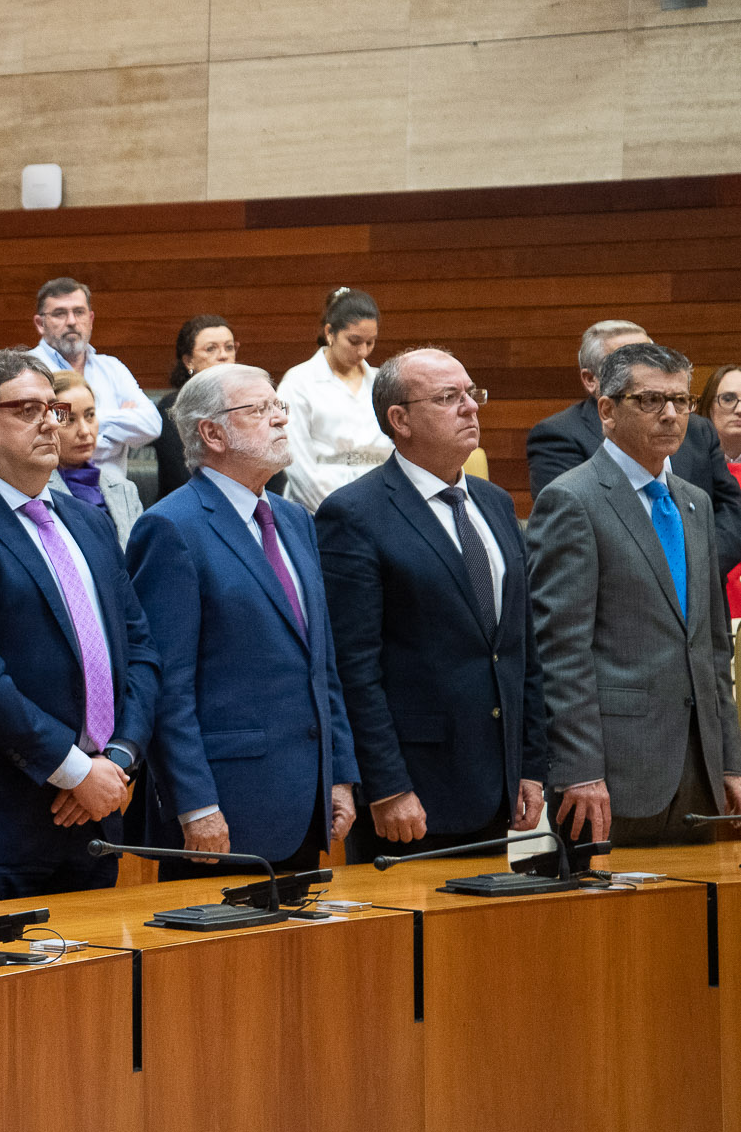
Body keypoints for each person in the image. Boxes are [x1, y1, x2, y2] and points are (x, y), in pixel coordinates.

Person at [0, 351, 158, 899]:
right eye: (26, 409)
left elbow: (138, 649)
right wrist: (72, 770)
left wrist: (116, 760)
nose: (49, 421)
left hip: (97, 816)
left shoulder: (87, 522)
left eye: (53, 409)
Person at [126, 363, 359, 877]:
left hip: (304, 801)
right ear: (211, 433)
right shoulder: (170, 527)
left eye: (280, 407)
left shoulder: (294, 518)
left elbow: (320, 663)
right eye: (260, 409)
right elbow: (166, 685)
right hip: (222, 810)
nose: (280, 419)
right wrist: (195, 805)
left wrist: (339, 773)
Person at [316, 349, 548, 863]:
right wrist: (386, 785)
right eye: (449, 398)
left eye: (472, 394)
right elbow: (354, 669)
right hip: (413, 793)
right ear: (399, 420)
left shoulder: (495, 503)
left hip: (498, 784)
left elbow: (520, 648)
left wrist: (531, 764)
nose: (471, 408)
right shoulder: (354, 514)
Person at [528, 342, 741, 848]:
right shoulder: (572, 500)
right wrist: (578, 769)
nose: (670, 414)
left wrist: (732, 759)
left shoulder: (695, 503)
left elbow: (712, 647)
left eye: (681, 401)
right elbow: (562, 651)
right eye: (649, 400)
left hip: (700, 769)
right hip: (611, 774)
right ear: (607, 410)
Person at [526, 319, 741, 574]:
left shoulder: (697, 429)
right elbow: (573, 540)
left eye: (651, 356)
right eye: (627, 360)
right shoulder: (557, 437)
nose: (669, 413)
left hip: (704, 591)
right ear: (591, 379)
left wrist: (694, 574)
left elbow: (732, 510)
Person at [29, 278, 159, 484]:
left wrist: (76, 420)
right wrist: (120, 425)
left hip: (114, 496)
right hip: (53, 495)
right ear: (40, 324)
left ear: (90, 319)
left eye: (78, 312)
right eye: (60, 313)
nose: (71, 321)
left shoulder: (112, 367)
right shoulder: (28, 370)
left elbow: (152, 425)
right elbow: (38, 438)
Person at [277, 287, 393, 512]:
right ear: (330, 333)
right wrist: (335, 512)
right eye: (354, 341)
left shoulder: (382, 381)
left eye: (370, 342)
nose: (363, 351)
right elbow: (297, 461)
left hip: (382, 502)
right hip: (319, 505)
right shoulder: (299, 382)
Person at [153, 315, 289, 503]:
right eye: (211, 349)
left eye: (229, 347)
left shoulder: (254, 399)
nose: (224, 355)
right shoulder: (173, 408)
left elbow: (273, 472)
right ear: (188, 361)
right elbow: (180, 476)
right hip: (198, 508)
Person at [51, 369, 143, 548]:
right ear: (48, 425)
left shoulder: (124, 489)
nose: (85, 431)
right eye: (69, 420)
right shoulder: (34, 493)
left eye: (90, 415)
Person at [697, 363, 741, 616]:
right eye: (728, 399)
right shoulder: (683, 465)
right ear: (708, 406)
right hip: (710, 598)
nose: (739, 409)